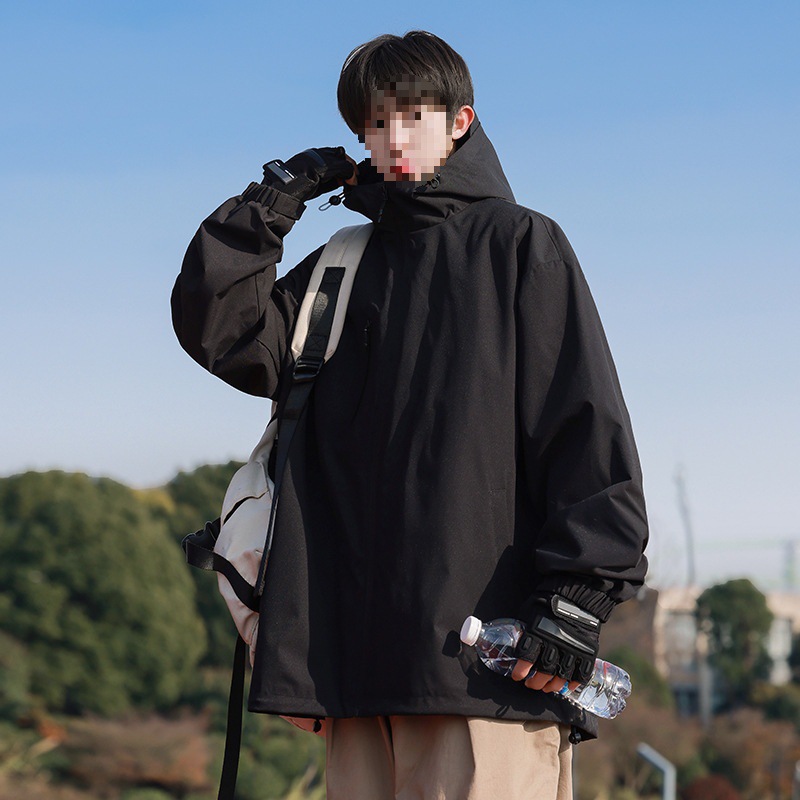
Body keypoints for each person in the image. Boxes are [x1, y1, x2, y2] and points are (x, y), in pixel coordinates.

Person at [172, 30, 649, 800]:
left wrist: (576, 603)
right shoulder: (344, 263)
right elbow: (224, 331)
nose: (393, 140)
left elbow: (585, 428)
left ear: (460, 122)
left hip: (488, 670)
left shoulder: (520, 243)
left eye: (413, 117)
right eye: (374, 122)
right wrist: (272, 202)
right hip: (354, 671)